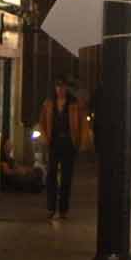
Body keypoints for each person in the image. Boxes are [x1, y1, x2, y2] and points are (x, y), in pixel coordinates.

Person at [39, 78, 84, 221]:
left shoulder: (74, 104)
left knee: (66, 176)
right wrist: (45, 138)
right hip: (54, 142)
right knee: (51, 175)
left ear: (66, 88)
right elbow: (42, 122)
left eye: (62, 87)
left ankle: (63, 208)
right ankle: (51, 208)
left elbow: (82, 124)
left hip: (68, 143)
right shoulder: (48, 103)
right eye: (57, 87)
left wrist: (79, 142)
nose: (59, 90)